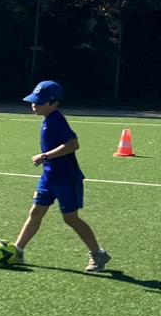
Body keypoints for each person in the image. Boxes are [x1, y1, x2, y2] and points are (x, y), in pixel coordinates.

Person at [10, 80, 110, 272]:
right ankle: (18, 250)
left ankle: (98, 254)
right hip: (48, 177)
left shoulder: (57, 120)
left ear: (53, 103)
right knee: (36, 212)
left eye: (39, 102)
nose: (34, 105)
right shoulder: (48, 119)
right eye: (33, 101)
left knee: (71, 218)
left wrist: (45, 156)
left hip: (66, 178)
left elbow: (73, 144)